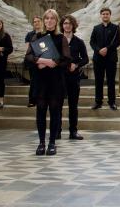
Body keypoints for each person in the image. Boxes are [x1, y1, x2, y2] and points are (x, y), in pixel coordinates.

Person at [24, 9, 71, 156]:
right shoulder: (37, 37)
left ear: (56, 21)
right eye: (47, 18)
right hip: (40, 80)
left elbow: (66, 58)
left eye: (52, 19)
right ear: (43, 21)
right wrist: (42, 61)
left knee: (55, 111)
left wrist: (53, 63)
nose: (49, 21)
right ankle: (41, 143)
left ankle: (52, 143)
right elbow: (28, 57)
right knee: (41, 111)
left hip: (55, 80)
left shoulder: (60, 38)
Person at [59, 15, 89, 140]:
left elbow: (85, 59)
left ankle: (73, 131)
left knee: (73, 105)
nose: (67, 25)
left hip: (73, 77)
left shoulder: (78, 42)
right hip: (59, 76)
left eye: (70, 23)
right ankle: (57, 131)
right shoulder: (58, 40)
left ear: (73, 26)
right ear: (62, 25)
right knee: (58, 105)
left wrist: (76, 65)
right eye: (65, 23)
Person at [90, 7, 120, 110]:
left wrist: (107, 49)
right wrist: (99, 50)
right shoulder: (96, 28)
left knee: (111, 81)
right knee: (98, 81)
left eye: (107, 14)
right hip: (98, 59)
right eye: (103, 14)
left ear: (110, 15)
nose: (105, 15)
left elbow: (117, 42)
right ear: (101, 15)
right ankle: (98, 101)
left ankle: (112, 102)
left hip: (110, 58)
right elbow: (92, 42)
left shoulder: (116, 28)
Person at [25, 16, 42, 107]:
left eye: (38, 21)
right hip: (33, 61)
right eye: (35, 22)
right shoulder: (29, 34)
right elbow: (28, 49)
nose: (36, 23)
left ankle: (41, 99)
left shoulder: (45, 33)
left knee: (42, 81)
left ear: (41, 22)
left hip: (44, 61)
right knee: (33, 81)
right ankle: (32, 100)